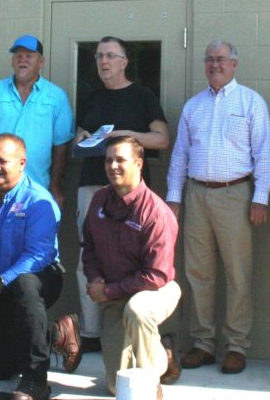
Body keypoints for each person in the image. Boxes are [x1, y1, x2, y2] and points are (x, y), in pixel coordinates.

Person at [165, 40, 270, 374]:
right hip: (197, 194)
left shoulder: (250, 102)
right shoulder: (193, 106)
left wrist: (261, 197)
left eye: (222, 60)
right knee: (198, 273)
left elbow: (264, 154)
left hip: (236, 195)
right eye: (210, 59)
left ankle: (237, 346)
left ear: (234, 64)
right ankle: (203, 344)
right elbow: (180, 154)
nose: (215, 65)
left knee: (238, 273)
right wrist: (174, 198)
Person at [0, 134, 81, 400]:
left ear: (22, 163)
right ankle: (58, 332)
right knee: (0, 370)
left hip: (39, 279)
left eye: (3, 161)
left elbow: (38, 254)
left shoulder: (38, 200)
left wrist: (2, 280)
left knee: (25, 283)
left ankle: (36, 380)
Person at [72, 36, 169, 352]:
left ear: (125, 61)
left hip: (131, 194)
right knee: (88, 255)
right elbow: (78, 137)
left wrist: (125, 137)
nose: (103, 61)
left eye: (110, 55)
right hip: (92, 184)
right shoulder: (91, 97)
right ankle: (90, 333)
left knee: (129, 258)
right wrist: (83, 137)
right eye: (99, 56)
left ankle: (133, 332)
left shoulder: (142, 96)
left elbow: (161, 139)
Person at [81, 137, 181, 395]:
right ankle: (164, 356)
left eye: (120, 160)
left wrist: (109, 291)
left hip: (154, 291)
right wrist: (95, 279)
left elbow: (156, 275)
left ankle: (150, 383)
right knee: (116, 386)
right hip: (115, 294)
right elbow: (89, 247)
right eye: (108, 160)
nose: (112, 166)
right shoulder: (100, 199)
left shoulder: (156, 212)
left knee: (137, 310)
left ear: (138, 164)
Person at [0, 35, 74, 206]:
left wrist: (55, 185)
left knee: (35, 232)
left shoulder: (57, 97)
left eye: (29, 56)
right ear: (12, 61)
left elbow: (61, 146)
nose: (22, 60)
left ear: (41, 62)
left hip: (38, 187)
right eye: (18, 56)